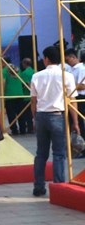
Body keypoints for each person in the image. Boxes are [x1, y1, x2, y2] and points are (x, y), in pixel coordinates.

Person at [31, 45, 79, 197]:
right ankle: (58, 186)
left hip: (41, 115)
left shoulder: (37, 76)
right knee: (59, 154)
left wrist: (34, 118)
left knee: (41, 154)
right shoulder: (67, 76)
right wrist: (76, 122)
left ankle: (39, 186)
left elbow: (33, 101)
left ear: (46, 59)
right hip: (59, 116)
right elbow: (72, 101)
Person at [18, 58, 35, 134]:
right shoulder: (34, 71)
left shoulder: (24, 73)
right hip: (35, 96)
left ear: (24, 64)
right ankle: (33, 127)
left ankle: (29, 128)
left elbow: (26, 84)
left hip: (26, 96)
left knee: (27, 114)